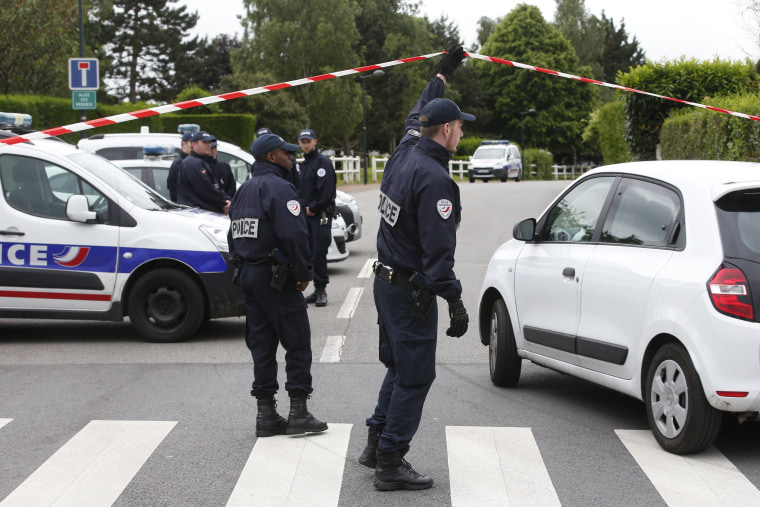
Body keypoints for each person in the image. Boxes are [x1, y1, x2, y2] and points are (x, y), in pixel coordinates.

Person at [359, 45, 471, 491]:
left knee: (399, 368)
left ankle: (375, 441)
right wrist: (456, 300)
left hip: (386, 286)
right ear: (446, 130)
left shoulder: (405, 150)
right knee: (416, 375)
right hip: (411, 293)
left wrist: (442, 73)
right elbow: (438, 257)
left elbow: (417, 109)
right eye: (460, 127)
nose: (462, 134)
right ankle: (390, 461)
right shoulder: (436, 180)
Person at [227, 133, 328, 438]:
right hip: (277, 278)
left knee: (262, 345)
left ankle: (266, 414)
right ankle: (298, 412)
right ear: (271, 157)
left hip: (250, 277)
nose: (291, 157)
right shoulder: (280, 188)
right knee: (297, 343)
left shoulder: (244, 190)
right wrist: (303, 272)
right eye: (286, 153)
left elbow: (233, 235)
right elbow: (295, 235)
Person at [297, 128, 336, 307]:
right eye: (302, 142)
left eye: (308, 141)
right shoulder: (303, 165)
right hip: (306, 216)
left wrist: (313, 207)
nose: (305, 144)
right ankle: (316, 287)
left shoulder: (323, 163)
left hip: (320, 215)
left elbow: (326, 191)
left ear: (315, 141)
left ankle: (321, 289)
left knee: (319, 252)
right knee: (310, 253)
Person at [176, 131, 231, 214]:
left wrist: (226, 199)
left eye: (209, 142)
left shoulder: (204, 162)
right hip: (195, 213)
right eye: (205, 142)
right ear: (194, 145)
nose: (208, 145)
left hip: (203, 212)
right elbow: (206, 190)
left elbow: (216, 186)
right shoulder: (192, 163)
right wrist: (223, 202)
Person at [167, 130, 193, 202]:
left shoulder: (191, 162)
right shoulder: (179, 164)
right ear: (184, 144)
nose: (194, 146)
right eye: (192, 144)